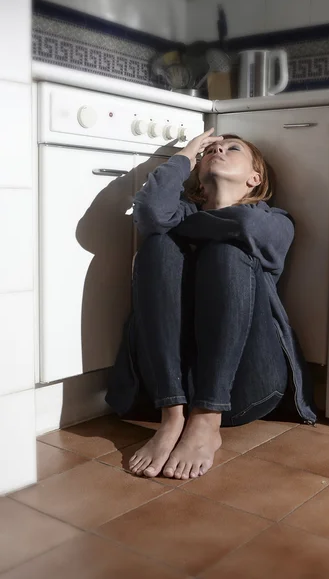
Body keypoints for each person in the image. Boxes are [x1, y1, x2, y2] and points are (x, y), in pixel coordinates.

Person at [105, 129, 317, 481]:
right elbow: (151, 210)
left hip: (247, 387)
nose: (218, 149)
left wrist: (175, 226)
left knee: (225, 251)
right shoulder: (179, 214)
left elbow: (245, 225)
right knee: (157, 247)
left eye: (232, 149)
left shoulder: (275, 220)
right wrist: (185, 156)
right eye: (211, 150)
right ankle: (172, 418)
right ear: (198, 177)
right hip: (166, 390)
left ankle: (206, 420)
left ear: (255, 178)